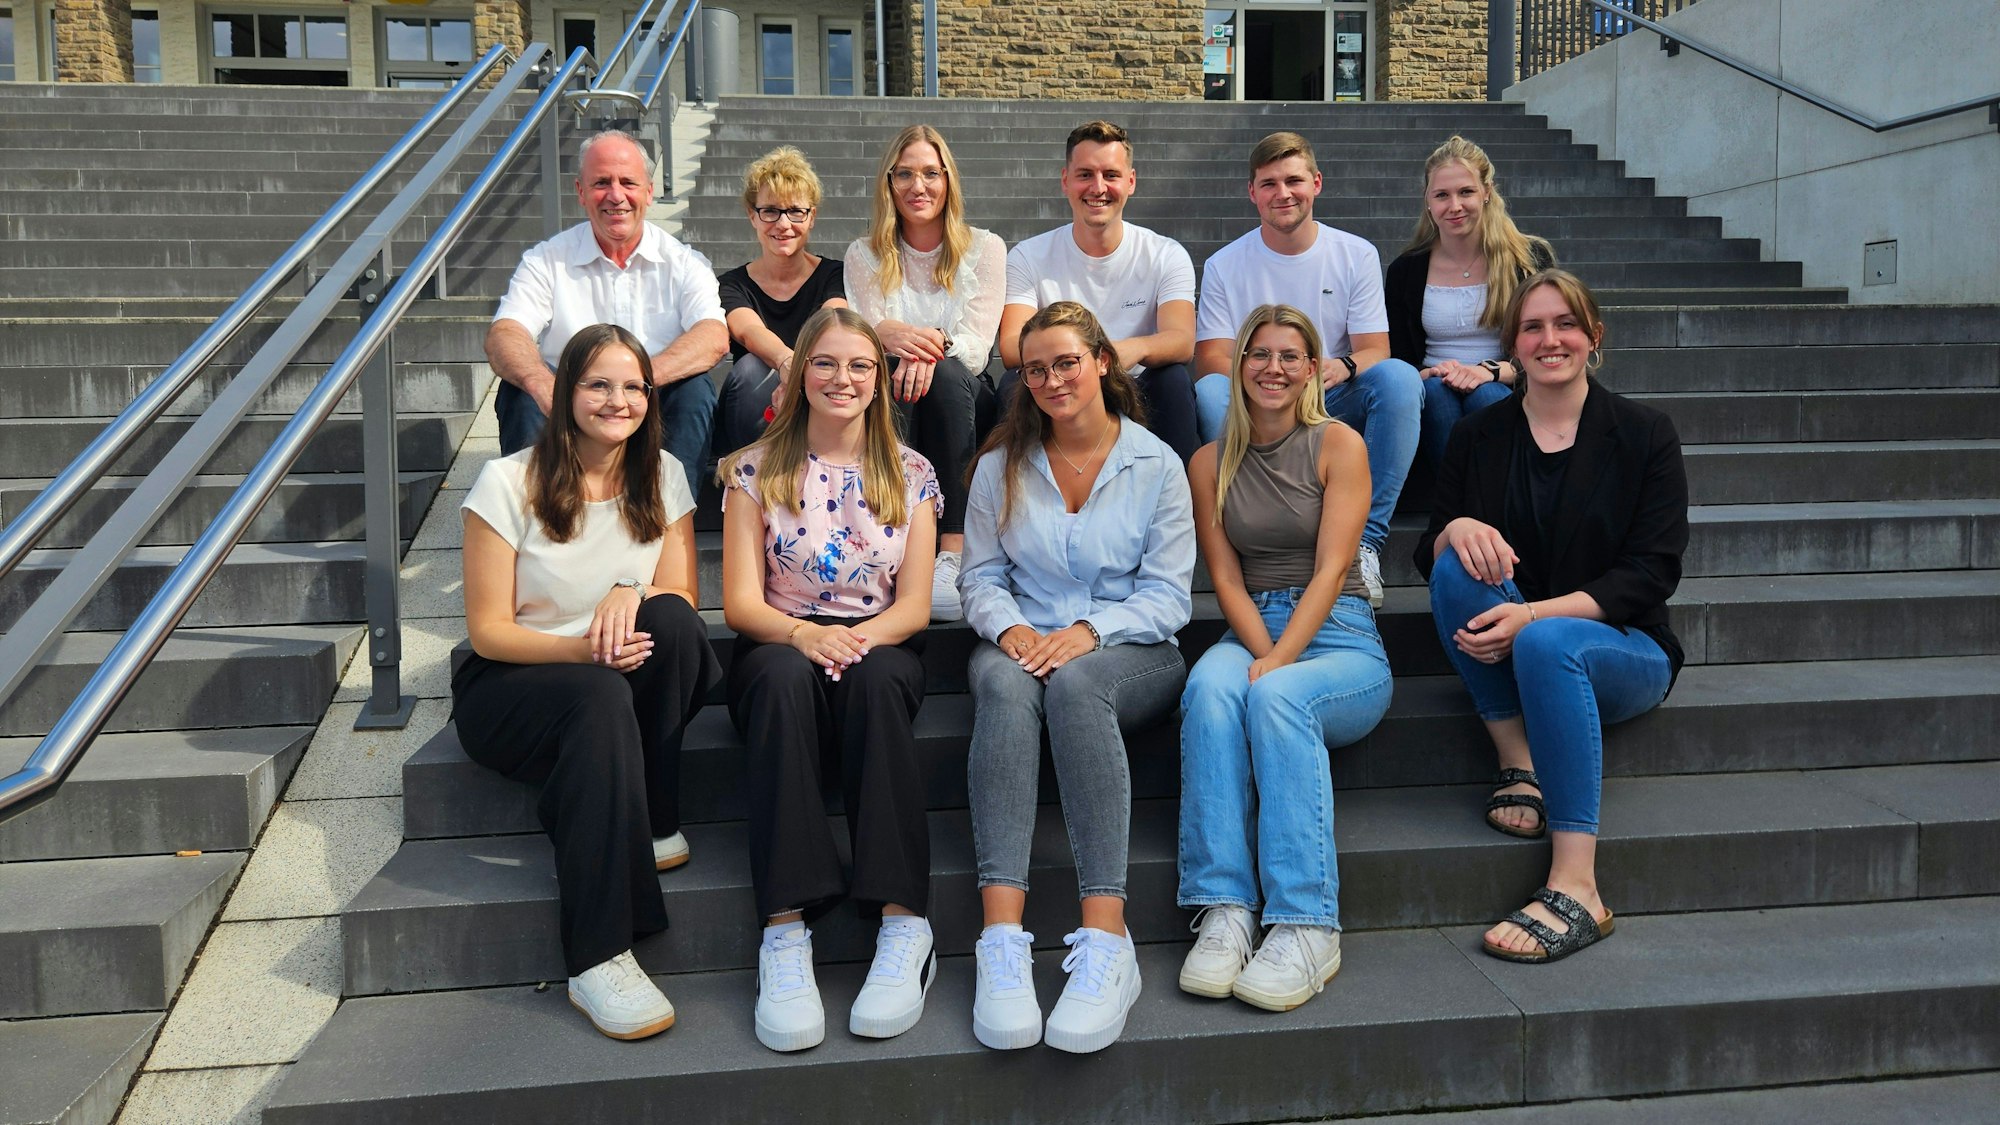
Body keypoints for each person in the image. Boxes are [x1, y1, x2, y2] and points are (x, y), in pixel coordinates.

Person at [1414, 269, 1688, 964]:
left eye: (1566, 323)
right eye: (1533, 326)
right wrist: (1459, 528)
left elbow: (1649, 574)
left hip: (1623, 648)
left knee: (1545, 643)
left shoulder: (1646, 434)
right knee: (1456, 560)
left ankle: (1578, 885)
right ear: (1514, 344)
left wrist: (1533, 614)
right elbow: (1428, 548)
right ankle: (1519, 761)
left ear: (1594, 337)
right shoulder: (1480, 437)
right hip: (1516, 636)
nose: (1550, 338)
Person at [454, 323, 718, 1040]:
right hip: (516, 680)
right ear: (565, 390)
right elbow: (488, 629)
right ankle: (598, 955)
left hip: (610, 675)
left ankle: (654, 815)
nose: (618, 399)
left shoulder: (662, 472)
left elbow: (680, 597)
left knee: (676, 624)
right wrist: (581, 651)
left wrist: (628, 588)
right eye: (599, 383)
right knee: (599, 694)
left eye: (633, 385)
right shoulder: (507, 481)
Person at [959, 301, 1195, 1054]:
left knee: (1076, 683)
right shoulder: (1000, 466)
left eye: (1067, 362)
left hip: (1132, 650)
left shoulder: (1156, 463)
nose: (1053, 378)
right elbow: (979, 578)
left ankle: (1106, 940)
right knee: (1000, 685)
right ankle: (1001, 938)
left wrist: (1089, 633)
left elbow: (1168, 597)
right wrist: (1014, 628)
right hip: (1023, 643)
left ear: (1102, 362)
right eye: (1036, 369)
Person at [720, 307, 942, 1053]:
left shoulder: (911, 474)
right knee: (783, 678)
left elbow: (913, 608)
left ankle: (904, 922)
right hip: (781, 642)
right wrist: (806, 634)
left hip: (877, 643)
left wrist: (850, 640)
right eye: (825, 363)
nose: (842, 379)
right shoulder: (752, 468)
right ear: (799, 373)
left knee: (879, 682)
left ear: (880, 381)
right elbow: (741, 604)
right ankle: (785, 929)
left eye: (859, 366)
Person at [1176, 304, 1390, 1011]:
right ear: (1238, 365)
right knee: (1210, 688)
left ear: (1310, 369)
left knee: (1274, 695)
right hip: (1253, 625)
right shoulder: (1208, 461)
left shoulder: (1340, 444)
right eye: (1258, 354)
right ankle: (1225, 907)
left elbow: (1332, 571)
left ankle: (1305, 922)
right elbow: (1226, 578)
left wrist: (1281, 663)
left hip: (1341, 634)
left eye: (1289, 355)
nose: (1273, 367)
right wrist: (1263, 652)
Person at [1192, 131, 1423, 608]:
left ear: (1316, 183)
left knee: (1398, 379)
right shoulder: (1224, 264)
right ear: (1251, 192)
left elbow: (1376, 348)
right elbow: (1212, 358)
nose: (1283, 193)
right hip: (1262, 399)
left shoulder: (1354, 254)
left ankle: (1364, 543)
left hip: (1330, 395)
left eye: (1293, 180)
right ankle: (1252, 536)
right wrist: (1270, 381)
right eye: (1269, 183)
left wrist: (1343, 365)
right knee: (1213, 392)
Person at [487, 129, 728, 497]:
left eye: (628, 182)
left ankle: (670, 522)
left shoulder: (684, 263)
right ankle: (535, 524)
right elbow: (505, 333)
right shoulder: (545, 260)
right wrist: (542, 382)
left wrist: (633, 385)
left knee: (695, 391)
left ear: (648, 191)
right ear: (581, 192)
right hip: (568, 399)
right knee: (519, 391)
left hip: (650, 398)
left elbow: (712, 336)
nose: (616, 195)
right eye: (601, 182)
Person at [844, 124, 1006, 622]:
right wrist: (887, 338)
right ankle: (892, 538)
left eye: (931, 174)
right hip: (894, 387)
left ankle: (952, 550)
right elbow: (864, 340)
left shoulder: (985, 247)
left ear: (948, 180)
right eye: (906, 174)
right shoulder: (864, 254)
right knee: (888, 379)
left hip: (964, 391)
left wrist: (917, 342)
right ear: (889, 183)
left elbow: (978, 348)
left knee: (940, 374)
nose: (919, 186)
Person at [996, 120, 1200, 460]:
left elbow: (1181, 340)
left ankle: (1172, 502)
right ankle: (1021, 498)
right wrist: (1081, 362)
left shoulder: (1165, 254)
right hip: (1058, 382)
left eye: (1111, 175)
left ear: (1131, 182)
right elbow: (1011, 347)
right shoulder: (1029, 256)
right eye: (1085, 174)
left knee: (1174, 382)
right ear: (1066, 181)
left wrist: (1125, 351)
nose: (1098, 187)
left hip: (1134, 384)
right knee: (1012, 386)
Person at [1386, 135, 1556, 473]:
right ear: (1427, 201)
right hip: (1433, 388)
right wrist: (1429, 372)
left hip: (1506, 382)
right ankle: (1466, 503)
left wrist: (1488, 371)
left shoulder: (1528, 259)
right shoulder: (1406, 270)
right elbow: (1398, 357)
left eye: (1465, 192)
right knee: (1436, 393)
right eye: (1442, 195)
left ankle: (1479, 505)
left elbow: (1547, 344)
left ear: (1487, 191)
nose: (1454, 206)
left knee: (1486, 396)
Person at [710, 146, 848, 461]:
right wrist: (787, 365)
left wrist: (800, 373)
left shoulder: (835, 274)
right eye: (770, 211)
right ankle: (754, 477)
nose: (783, 225)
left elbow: (832, 321)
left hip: (821, 396)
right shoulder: (732, 284)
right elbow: (748, 331)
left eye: (795, 211)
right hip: (758, 407)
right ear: (752, 215)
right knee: (752, 369)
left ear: (811, 217)